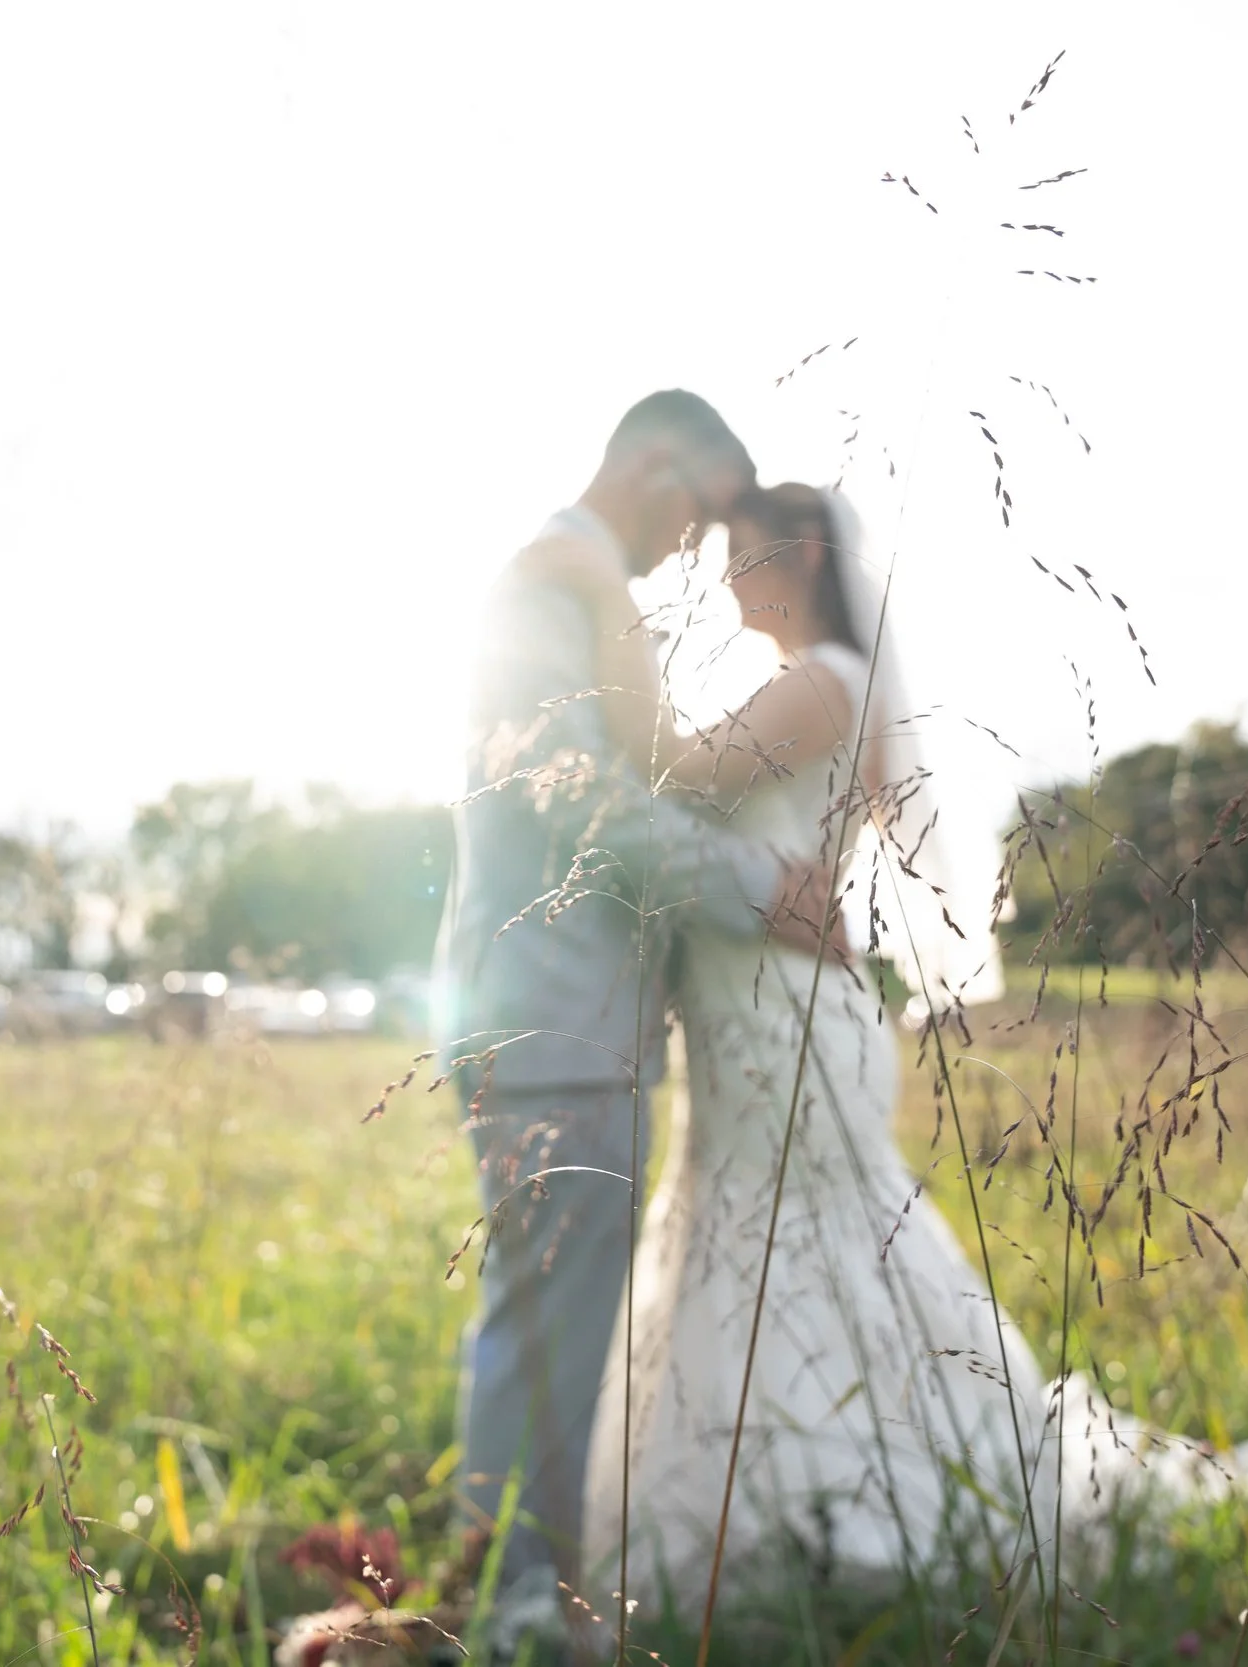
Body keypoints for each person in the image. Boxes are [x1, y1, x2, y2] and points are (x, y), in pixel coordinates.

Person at [537, 482, 1248, 1621]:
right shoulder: (823, 685)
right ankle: (765, 1496)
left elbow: (671, 767)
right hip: (760, 1015)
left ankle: (829, 1502)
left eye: (739, 555)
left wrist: (599, 608)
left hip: (788, 1020)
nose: (726, 579)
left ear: (804, 552)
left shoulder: (824, 679)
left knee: (793, 1239)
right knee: (750, 1237)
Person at [436, 395, 836, 1652]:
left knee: (542, 1318)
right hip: (549, 1011)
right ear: (659, 468)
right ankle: (517, 1617)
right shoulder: (552, 582)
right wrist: (754, 890)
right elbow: (576, 798)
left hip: (566, 1014)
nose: (696, 551)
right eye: (702, 514)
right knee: (547, 1334)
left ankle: (506, 1580)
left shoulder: (578, 583)